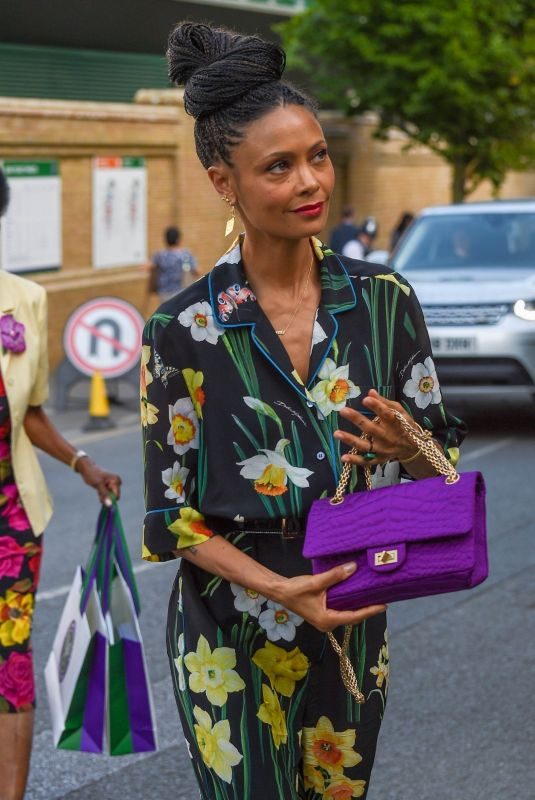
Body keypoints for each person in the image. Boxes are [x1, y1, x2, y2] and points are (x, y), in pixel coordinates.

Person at [141, 23, 466, 800]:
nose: (309, 180)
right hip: (225, 621)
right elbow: (169, 518)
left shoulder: (385, 304)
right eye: (278, 166)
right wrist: (278, 589)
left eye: (316, 156)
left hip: (353, 605)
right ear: (224, 183)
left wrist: (409, 440)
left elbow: (446, 473)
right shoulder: (182, 330)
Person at [0, 167, 122, 800]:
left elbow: (34, 412)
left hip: (9, 521)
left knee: (8, 660)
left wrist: (83, 464)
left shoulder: (23, 300)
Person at [147, 225, 199, 302]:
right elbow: (197, 271)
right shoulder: (185, 254)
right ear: (178, 240)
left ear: (166, 240)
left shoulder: (159, 255)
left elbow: (149, 266)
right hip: (181, 292)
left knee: (166, 313)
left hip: (164, 294)